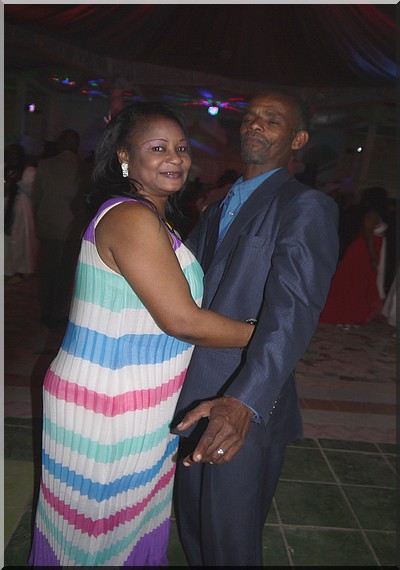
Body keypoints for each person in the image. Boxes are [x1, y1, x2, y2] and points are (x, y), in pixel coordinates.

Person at [28, 102, 255, 567]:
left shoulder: (151, 217)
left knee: (123, 526)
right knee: (98, 535)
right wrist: (261, 335)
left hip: (137, 396)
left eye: (181, 148)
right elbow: (182, 320)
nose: (175, 158)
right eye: (158, 148)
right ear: (124, 158)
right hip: (108, 402)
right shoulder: (131, 217)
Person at [170, 89, 339, 566]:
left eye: (272, 119)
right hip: (193, 394)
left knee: (230, 543)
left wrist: (244, 401)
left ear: (298, 139)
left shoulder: (304, 205)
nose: (254, 124)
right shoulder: (220, 204)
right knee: (195, 531)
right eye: (249, 117)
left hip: (243, 402)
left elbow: (294, 310)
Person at [32, 129, 92, 328]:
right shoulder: (85, 168)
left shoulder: (45, 164)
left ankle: (45, 309)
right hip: (72, 226)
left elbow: (36, 197)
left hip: (48, 223)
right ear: (77, 145)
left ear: (60, 144)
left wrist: (38, 219)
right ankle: (58, 311)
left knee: (47, 270)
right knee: (65, 272)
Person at [320, 185, 389, 326]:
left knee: (359, 283)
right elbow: (368, 236)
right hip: (363, 251)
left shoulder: (373, 213)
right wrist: (373, 257)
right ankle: (346, 314)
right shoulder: (372, 214)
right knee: (355, 282)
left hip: (366, 250)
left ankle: (351, 312)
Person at [4, 143, 38, 283]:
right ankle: (6, 270)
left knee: (21, 241)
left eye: (15, 154)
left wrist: (18, 181)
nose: (13, 157)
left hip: (22, 210)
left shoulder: (28, 171)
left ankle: (21, 270)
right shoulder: (3, 168)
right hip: (5, 208)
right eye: (10, 154)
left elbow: (34, 192)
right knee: (5, 241)